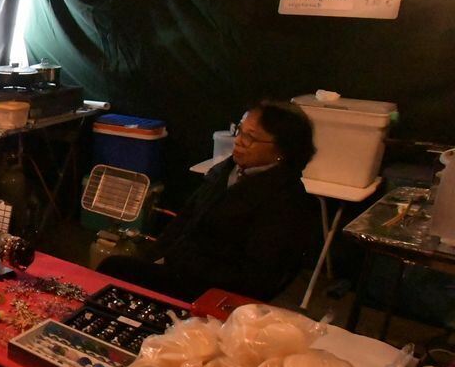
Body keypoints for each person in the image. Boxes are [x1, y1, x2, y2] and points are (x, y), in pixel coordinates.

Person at [98, 100, 317, 302]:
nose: (239, 141)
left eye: (251, 138)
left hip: (215, 289)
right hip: (181, 267)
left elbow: (257, 277)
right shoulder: (226, 170)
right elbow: (184, 220)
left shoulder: (285, 200)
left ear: (281, 151)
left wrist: (183, 264)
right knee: (113, 269)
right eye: (240, 131)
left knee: (115, 275)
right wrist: (153, 258)